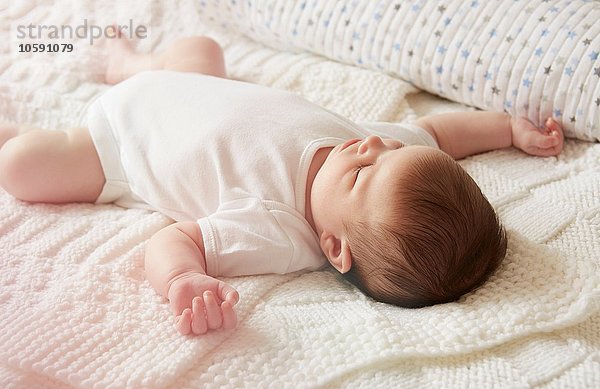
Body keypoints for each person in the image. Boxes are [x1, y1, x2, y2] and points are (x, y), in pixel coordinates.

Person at [0, 36, 564, 336]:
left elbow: (175, 242)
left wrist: (183, 279)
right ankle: (134, 64)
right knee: (203, 48)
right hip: (191, 83)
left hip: (119, 143)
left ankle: (18, 131)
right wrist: (506, 129)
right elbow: (438, 130)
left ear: (335, 247)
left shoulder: (277, 229)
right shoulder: (377, 148)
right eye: (391, 148)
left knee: (24, 167)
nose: (370, 146)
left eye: (366, 171)